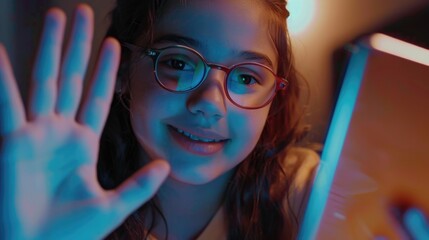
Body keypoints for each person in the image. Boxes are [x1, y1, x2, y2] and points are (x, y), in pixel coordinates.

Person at [0, 0, 319, 239]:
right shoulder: (56, 197)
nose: (209, 104)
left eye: (247, 78)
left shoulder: (308, 193)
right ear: (124, 70)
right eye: (178, 63)